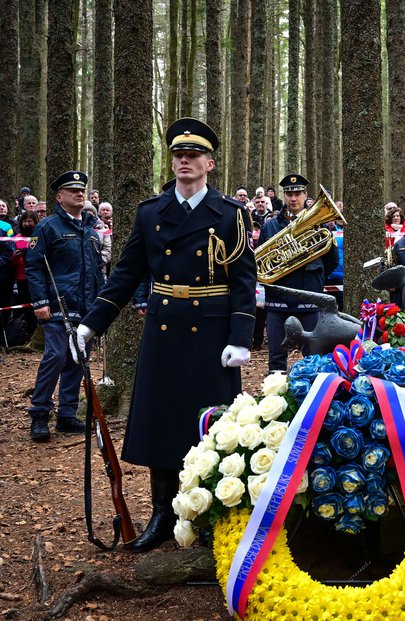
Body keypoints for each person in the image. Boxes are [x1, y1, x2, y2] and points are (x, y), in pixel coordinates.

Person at [74, 118, 256, 552]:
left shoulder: (230, 214)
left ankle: (211, 517)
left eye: (192, 156)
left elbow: (244, 280)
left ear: (209, 163)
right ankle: (162, 514)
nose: (184, 162)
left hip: (211, 334)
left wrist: (241, 337)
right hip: (163, 328)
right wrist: (91, 323)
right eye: (177, 156)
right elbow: (125, 274)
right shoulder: (150, 212)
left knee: (212, 429)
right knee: (161, 424)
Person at [26, 171, 104, 441]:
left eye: (81, 190)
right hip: (58, 305)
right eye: (72, 190)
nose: (79, 194)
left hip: (86, 308)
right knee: (56, 356)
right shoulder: (48, 227)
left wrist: (100, 308)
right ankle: (39, 413)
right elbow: (34, 266)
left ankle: (67, 415)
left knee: (77, 360)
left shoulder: (91, 230)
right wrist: (40, 302)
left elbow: (97, 272)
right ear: (59, 197)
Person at [259, 173, 339, 373]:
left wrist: (314, 276)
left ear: (305, 195)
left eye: (297, 193)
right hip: (278, 299)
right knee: (276, 354)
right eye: (288, 194)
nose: (293, 198)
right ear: (283, 196)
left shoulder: (319, 225)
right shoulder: (270, 225)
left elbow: (331, 260)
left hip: (309, 298)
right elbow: (260, 260)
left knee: (312, 353)